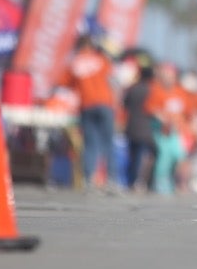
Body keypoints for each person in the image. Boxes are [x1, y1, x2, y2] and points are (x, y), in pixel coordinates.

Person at [62, 34, 118, 189]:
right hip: (105, 104)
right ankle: (111, 179)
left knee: (90, 144)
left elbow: (66, 83)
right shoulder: (101, 59)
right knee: (107, 143)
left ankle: (88, 179)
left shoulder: (74, 63)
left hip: (86, 106)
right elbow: (112, 79)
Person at [145, 62, 190, 195]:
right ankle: (160, 182)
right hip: (162, 132)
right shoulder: (156, 90)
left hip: (177, 132)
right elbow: (150, 108)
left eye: (170, 76)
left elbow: (187, 112)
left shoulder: (180, 92)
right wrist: (160, 117)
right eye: (165, 76)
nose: (168, 79)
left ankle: (178, 183)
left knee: (179, 156)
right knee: (163, 158)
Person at [120, 49, 157, 191]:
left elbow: (125, 104)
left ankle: (130, 181)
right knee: (142, 157)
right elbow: (152, 109)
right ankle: (138, 182)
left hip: (131, 126)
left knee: (132, 156)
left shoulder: (132, 88)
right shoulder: (151, 90)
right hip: (145, 128)